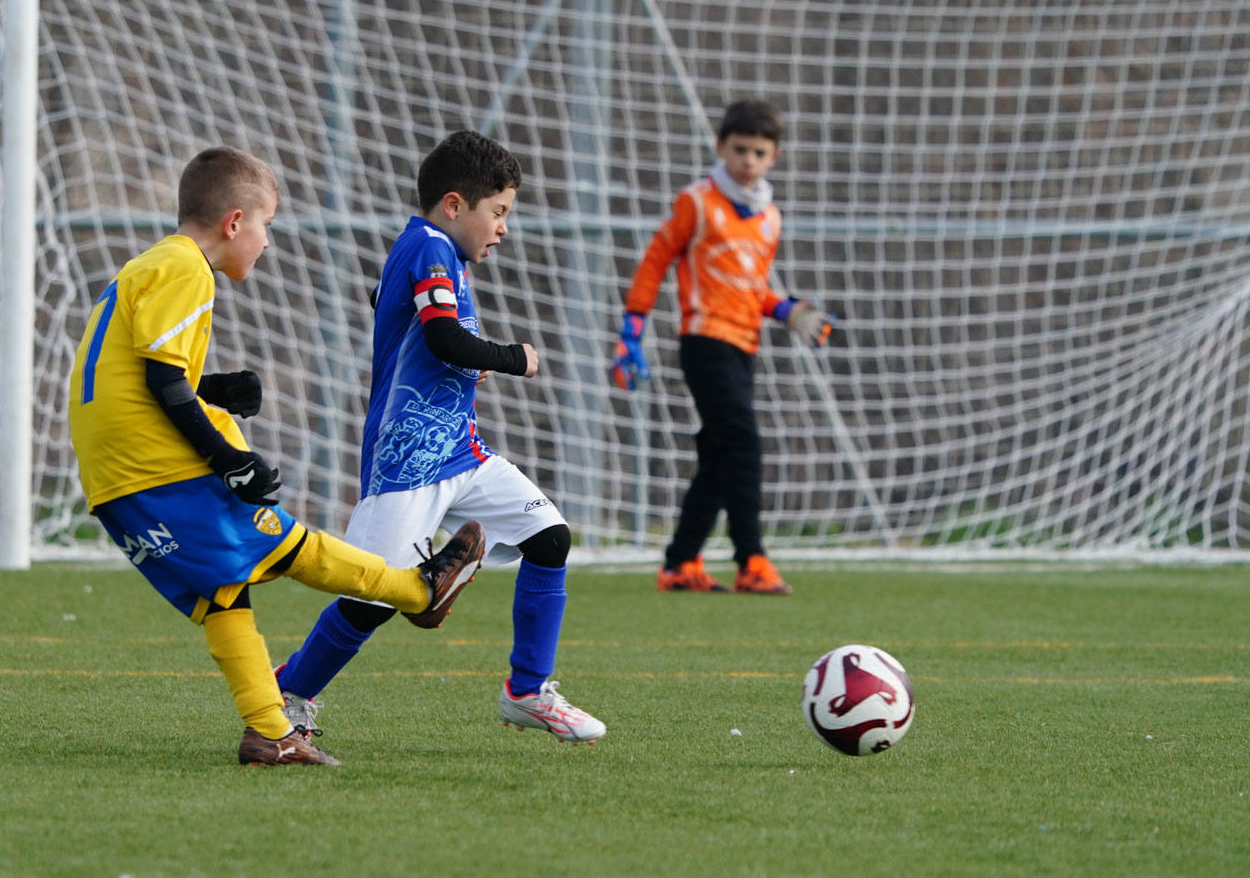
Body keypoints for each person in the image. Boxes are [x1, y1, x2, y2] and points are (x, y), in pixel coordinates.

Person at [67, 146, 486, 767]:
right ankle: (418, 592)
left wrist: (212, 390)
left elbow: (137, 376)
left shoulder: (145, 267)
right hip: (156, 470)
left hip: (114, 478)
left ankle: (269, 733)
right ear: (234, 222)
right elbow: (161, 381)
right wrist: (225, 458)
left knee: (224, 593)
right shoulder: (186, 268)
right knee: (291, 546)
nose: (266, 242)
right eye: (266, 225)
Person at [273, 130, 605, 745]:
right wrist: (513, 357)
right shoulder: (428, 244)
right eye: (498, 212)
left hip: (462, 452)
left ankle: (527, 692)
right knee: (370, 598)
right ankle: (287, 695)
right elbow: (443, 337)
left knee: (550, 537)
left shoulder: (436, 255)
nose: (503, 228)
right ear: (455, 206)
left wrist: (458, 359)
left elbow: (419, 328)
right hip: (405, 462)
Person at [612, 100, 832, 595]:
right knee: (745, 443)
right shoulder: (697, 201)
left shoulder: (769, 218)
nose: (748, 160)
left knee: (718, 454)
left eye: (759, 152)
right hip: (704, 341)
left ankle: (680, 563)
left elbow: (751, 289)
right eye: (739, 150)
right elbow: (655, 261)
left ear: (773, 157)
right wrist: (632, 328)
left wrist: (786, 310)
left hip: (742, 347)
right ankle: (751, 558)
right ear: (720, 148)